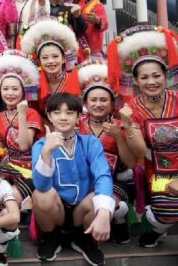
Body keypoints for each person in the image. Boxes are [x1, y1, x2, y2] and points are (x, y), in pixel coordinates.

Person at [107, 26, 178, 248]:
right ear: (136, 81)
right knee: (168, 209)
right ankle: (155, 228)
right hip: (157, 172)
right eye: (144, 77)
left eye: (156, 76)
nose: (151, 82)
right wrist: (128, 125)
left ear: (165, 76)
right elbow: (138, 152)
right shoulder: (133, 109)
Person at [32, 93, 115, 266]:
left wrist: (104, 212)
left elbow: (103, 175)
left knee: (102, 197)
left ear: (79, 117)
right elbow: (41, 185)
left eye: (69, 112)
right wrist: (47, 152)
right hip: (57, 210)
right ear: (49, 116)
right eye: (57, 112)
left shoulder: (90, 142)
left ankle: (83, 238)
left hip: (81, 210)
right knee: (41, 195)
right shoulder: (40, 145)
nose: (63, 117)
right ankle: (51, 237)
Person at [77, 59, 139, 244]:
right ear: (85, 103)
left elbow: (131, 163)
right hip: (84, 182)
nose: (98, 104)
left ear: (113, 103)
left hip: (115, 182)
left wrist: (119, 137)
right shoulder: (77, 125)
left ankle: (119, 217)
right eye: (93, 100)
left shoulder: (121, 126)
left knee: (102, 204)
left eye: (103, 100)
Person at [0, 50, 44, 208]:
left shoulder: (31, 113)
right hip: (6, 169)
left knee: (8, 198)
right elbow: (0, 150)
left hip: (29, 171)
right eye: (5, 89)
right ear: (0, 91)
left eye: (15, 89)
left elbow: (24, 145)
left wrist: (22, 114)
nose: (10, 93)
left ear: (23, 91)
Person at [20, 17, 81, 112]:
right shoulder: (34, 84)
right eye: (45, 58)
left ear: (64, 59)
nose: (50, 61)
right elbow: (34, 112)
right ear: (39, 61)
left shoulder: (77, 79)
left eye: (55, 56)